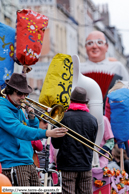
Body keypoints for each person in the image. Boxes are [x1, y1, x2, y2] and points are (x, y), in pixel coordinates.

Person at [0, 72, 68, 187]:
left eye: (25, 94)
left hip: (28, 162)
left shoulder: (18, 108)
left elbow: (32, 135)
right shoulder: (2, 109)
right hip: (14, 164)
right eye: (20, 93)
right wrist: (47, 133)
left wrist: (32, 118)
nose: (23, 97)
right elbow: (19, 130)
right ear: (10, 91)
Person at [51, 86, 98, 194]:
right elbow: (92, 143)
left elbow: (56, 144)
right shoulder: (93, 119)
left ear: (71, 101)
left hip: (67, 166)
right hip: (86, 165)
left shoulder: (62, 118)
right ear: (85, 102)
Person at [81, 31, 129, 109]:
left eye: (99, 42)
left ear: (107, 46)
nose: (95, 46)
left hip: (112, 114)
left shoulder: (117, 66)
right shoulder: (78, 68)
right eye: (90, 43)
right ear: (85, 47)